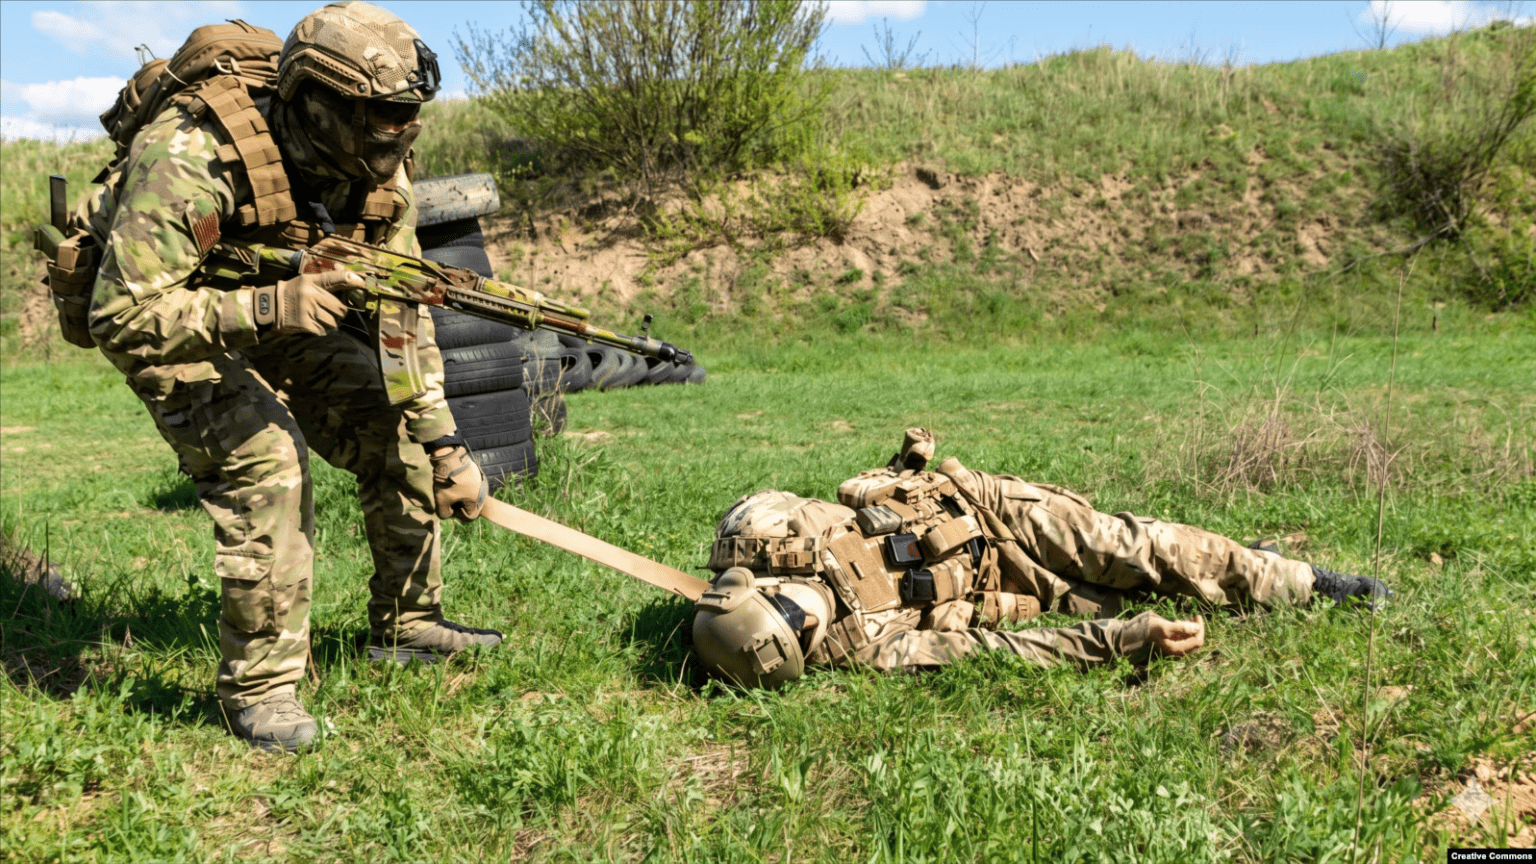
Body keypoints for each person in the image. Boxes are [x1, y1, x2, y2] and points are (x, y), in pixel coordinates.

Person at [87, 2, 500, 752]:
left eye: (412, 113)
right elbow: (118, 315)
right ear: (319, 102)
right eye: (387, 115)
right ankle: (260, 690)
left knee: (395, 427)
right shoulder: (189, 156)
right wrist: (269, 305)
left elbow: (402, 312)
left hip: (273, 308)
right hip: (173, 316)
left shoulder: (383, 176)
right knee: (268, 457)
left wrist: (443, 444)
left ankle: (408, 626)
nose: (405, 130)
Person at [692, 429, 1390, 688]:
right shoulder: (865, 650)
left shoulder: (757, 532)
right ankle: (1241, 572)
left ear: (754, 583)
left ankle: (1305, 582)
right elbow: (1001, 652)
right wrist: (1122, 640)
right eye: (804, 637)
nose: (809, 618)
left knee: (1129, 546)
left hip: (982, 505)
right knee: (1130, 598)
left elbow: (808, 500)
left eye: (788, 610)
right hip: (1007, 581)